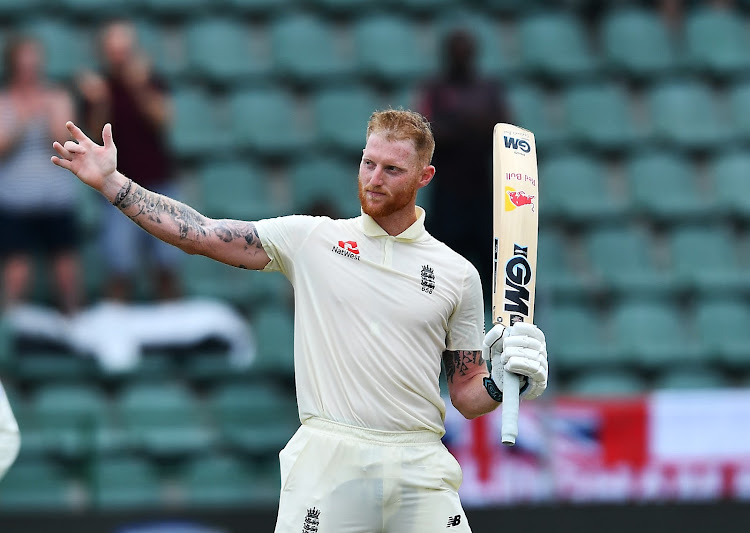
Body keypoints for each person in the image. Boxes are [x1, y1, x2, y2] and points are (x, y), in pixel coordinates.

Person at [51, 110, 548, 533]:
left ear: (425, 176)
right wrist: (114, 183)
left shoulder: (457, 274)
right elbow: (202, 233)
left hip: (420, 460)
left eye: (392, 169)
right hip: (331, 457)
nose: (373, 179)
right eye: (367, 163)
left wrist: (507, 383)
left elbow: (465, 393)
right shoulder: (313, 239)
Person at [78, 20, 180, 301]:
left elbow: (164, 120)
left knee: (167, 265)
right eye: (114, 50)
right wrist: (99, 101)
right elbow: (94, 136)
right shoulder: (97, 88)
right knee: (119, 267)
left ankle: (175, 330)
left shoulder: (150, 80)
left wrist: (139, 87)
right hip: (116, 186)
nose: (119, 55)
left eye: (124, 49)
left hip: (158, 182)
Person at [419, 29, 511, 290]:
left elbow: (505, 132)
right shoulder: (435, 90)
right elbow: (427, 132)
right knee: (443, 270)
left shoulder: (489, 90)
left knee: (495, 272)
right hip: (448, 192)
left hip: (483, 192)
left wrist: (459, 126)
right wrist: (473, 126)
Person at [0, 36, 81, 314]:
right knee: (16, 273)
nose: (29, 68)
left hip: (56, 199)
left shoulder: (56, 97)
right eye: (23, 63)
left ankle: (75, 329)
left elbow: (66, 141)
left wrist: (47, 116)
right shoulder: (4, 101)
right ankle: (9, 336)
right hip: (15, 201)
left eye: (33, 62)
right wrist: (23, 122)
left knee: (67, 274)